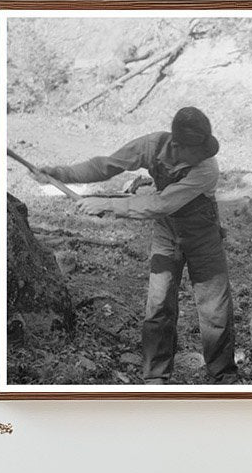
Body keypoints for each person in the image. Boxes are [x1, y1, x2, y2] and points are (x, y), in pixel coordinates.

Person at [34, 107, 238, 385]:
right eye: (198, 149)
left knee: (215, 307)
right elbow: (106, 165)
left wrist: (106, 205)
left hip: (203, 236)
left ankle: (223, 377)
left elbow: (160, 204)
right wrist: (60, 173)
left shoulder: (206, 169)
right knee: (159, 304)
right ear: (177, 146)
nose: (205, 154)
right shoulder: (151, 146)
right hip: (167, 233)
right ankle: (155, 377)